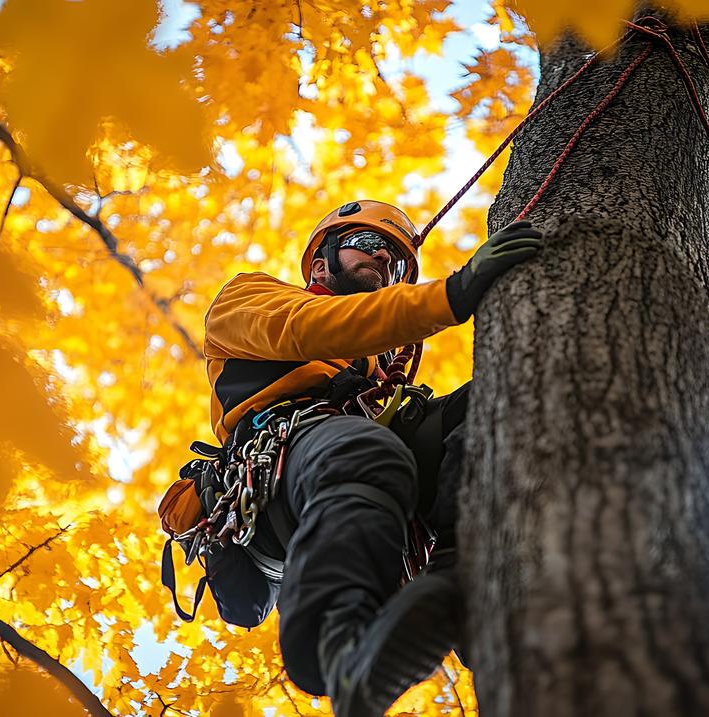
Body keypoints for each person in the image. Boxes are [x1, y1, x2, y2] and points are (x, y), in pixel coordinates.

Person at [199, 200, 544, 717]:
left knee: (491, 402)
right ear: (320, 263)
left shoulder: (379, 365)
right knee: (370, 452)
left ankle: (463, 582)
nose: (385, 260)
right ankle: (334, 644)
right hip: (281, 474)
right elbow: (308, 326)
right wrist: (450, 295)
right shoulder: (249, 299)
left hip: (360, 464)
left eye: (397, 262)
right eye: (368, 245)